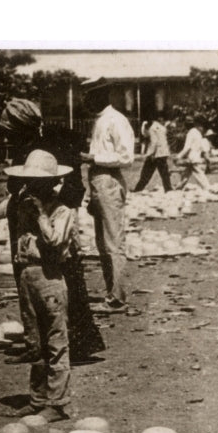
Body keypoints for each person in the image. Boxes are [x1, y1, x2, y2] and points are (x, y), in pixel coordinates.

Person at [0, 97, 104, 364]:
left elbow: (73, 187)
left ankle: (74, 343)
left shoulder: (56, 141)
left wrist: (51, 208)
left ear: (24, 126)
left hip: (51, 220)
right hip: (26, 221)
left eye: (12, 132)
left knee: (62, 278)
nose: (10, 138)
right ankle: (36, 343)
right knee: (27, 279)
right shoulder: (25, 145)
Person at [6, 151, 77, 422]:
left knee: (56, 341)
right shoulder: (23, 205)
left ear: (52, 183)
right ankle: (38, 398)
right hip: (27, 275)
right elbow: (4, 212)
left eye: (38, 182)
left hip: (49, 276)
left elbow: (53, 241)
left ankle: (57, 402)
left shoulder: (61, 211)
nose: (32, 187)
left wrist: (40, 215)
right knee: (34, 341)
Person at [81, 82, 134, 312]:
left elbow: (126, 157)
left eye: (89, 98)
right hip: (98, 180)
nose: (86, 103)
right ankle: (111, 292)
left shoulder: (116, 120)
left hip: (109, 179)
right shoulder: (101, 120)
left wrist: (93, 159)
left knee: (113, 241)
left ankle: (117, 298)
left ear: (100, 96)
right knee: (102, 242)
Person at [133, 112, 173, 192]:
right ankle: (168, 189)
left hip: (155, 154)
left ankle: (138, 189)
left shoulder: (152, 128)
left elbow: (153, 142)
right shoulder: (161, 127)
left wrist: (148, 154)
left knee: (146, 173)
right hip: (163, 153)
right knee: (164, 174)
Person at [176, 116, 214, 193]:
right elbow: (191, 147)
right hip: (195, 158)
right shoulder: (195, 133)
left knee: (195, 175)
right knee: (188, 175)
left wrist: (178, 156)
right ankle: (179, 188)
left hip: (193, 158)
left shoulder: (193, 133)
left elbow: (189, 147)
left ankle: (207, 188)